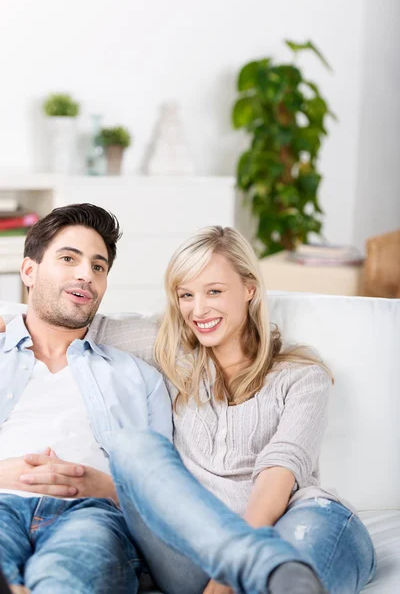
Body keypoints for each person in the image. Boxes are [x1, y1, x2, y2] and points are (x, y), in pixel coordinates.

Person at [0, 226, 377, 593]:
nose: (199, 310)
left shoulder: (301, 376)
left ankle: (259, 565)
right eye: (185, 295)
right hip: (190, 551)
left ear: (249, 289)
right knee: (134, 447)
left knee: (295, 557)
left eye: (214, 291)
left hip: (292, 522)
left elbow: (279, 472)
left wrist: (232, 571)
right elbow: (63, 314)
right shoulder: (170, 354)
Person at [0, 203, 172, 594]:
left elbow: (163, 490)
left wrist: (105, 486)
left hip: (91, 517)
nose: (86, 274)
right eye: (68, 258)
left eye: (99, 266)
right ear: (29, 271)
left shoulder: (139, 377)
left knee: (66, 579)